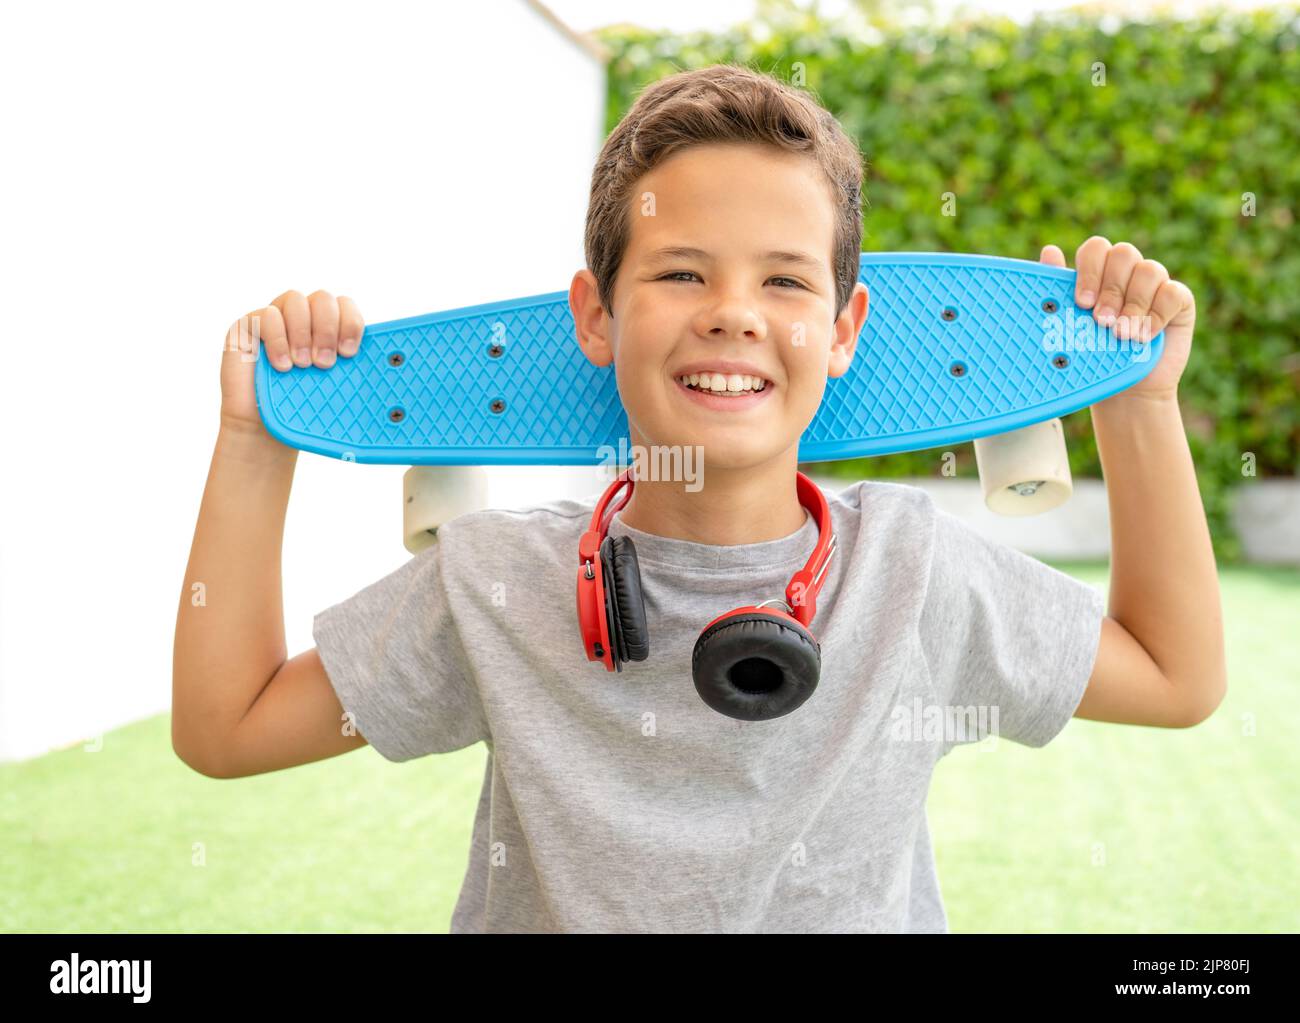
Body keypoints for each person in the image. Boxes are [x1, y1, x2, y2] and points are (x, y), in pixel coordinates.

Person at [173, 63, 1225, 933]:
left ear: (845, 328)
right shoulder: (497, 581)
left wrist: (1137, 400)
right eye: (680, 275)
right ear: (596, 316)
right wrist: (254, 440)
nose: (732, 315)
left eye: (783, 281)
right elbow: (227, 730)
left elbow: (1177, 679)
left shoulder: (913, 570)